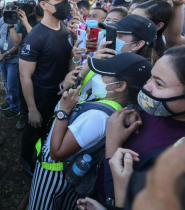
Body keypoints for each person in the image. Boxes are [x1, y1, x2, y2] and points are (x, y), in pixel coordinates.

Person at [28, 53, 152, 210]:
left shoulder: (96, 117)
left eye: (105, 75)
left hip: (53, 173)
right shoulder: (115, 105)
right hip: (72, 174)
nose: (98, 76)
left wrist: (63, 112)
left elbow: (57, 152)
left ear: (120, 86)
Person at [104, 45, 185, 204]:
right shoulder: (157, 111)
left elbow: (122, 197)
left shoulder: (175, 157)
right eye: (151, 77)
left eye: (159, 84)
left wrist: (112, 143)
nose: (147, 86)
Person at [19, 0, 78, 177]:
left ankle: (45, 150)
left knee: (50, 129)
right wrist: (32, 109)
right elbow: (25, 76)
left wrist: (73, 70)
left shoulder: (66, 30)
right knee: (34, 129)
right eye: (60, 0)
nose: (66, 3)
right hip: (42, 96)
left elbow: (69, 59)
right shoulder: (35, 37)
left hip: (61, 93)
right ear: (43, 4)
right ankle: (26, 158)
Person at [10, 5, 43, 130]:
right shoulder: (21, 21)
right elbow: (16, 42)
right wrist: (11, 24)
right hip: (24, 64)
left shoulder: (45, 21)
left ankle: (38, 114)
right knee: (22, 93)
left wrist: (26, 23)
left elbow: (37, 39)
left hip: (40, 65)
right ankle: (24, 116)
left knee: (38, 92)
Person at [0, 6, 20, 120]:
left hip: (13, 60)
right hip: (1, 58)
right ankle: (10, 101)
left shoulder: (19, 22)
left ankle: (15, 108)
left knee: (12, 85)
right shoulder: (1, 19)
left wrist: (6, 53)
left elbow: (17, 44)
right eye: (4, 11)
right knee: (5, 82)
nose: (6, 14)